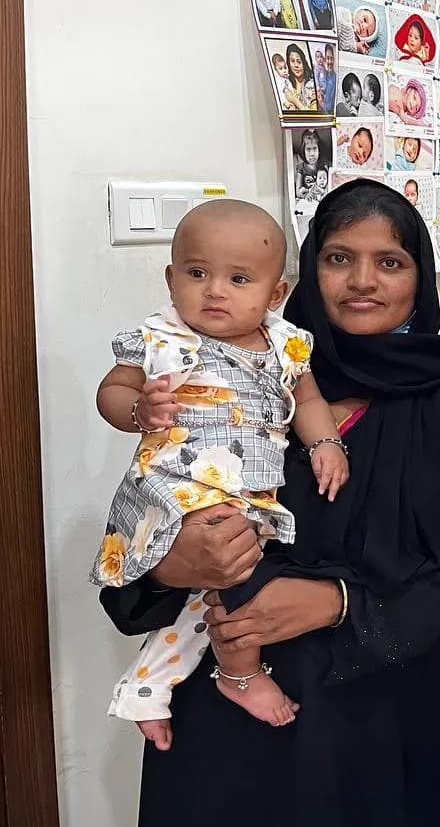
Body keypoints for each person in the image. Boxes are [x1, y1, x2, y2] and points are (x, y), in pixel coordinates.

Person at [100, 181, 440, 827]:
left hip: (382, 707)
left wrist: (341, 602)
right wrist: (169, 563)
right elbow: (146, 500)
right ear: (304, 273)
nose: (362, 281)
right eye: (338, 257)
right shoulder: (220, 368)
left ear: (420, 275)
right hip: (226, 715)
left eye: (390, 261)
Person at [93, 200, 348, 744]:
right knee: (234, 574)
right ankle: (240, 673)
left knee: (216, 585)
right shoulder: (161, 338)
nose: (214, 291)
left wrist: (326, 442)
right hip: (177, 484)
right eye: (196, 273)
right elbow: (112, 390)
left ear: (275, 294)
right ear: (171, 279)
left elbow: (307, 402)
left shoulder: (285, 345)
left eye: (238, 279)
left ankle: (147, 684)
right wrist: (138, 409)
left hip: (249, 493)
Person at [295, 128, 329, 203]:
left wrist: (324, 195)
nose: (312, 154)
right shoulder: (301, 167)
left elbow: (329, 184)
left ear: (319, 150)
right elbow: (298, 190)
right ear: (303, 150)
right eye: (308, 149)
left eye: (315, 148)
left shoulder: (323, 164)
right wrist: (305, 196)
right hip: (307, 201)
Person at [281, 43, 317, 113]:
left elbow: (314, 115)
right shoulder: (286, 84)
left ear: (304, 63)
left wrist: (294, 100)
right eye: (292, 61)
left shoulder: (312, 85)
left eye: (299, 62)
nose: (296, 65)